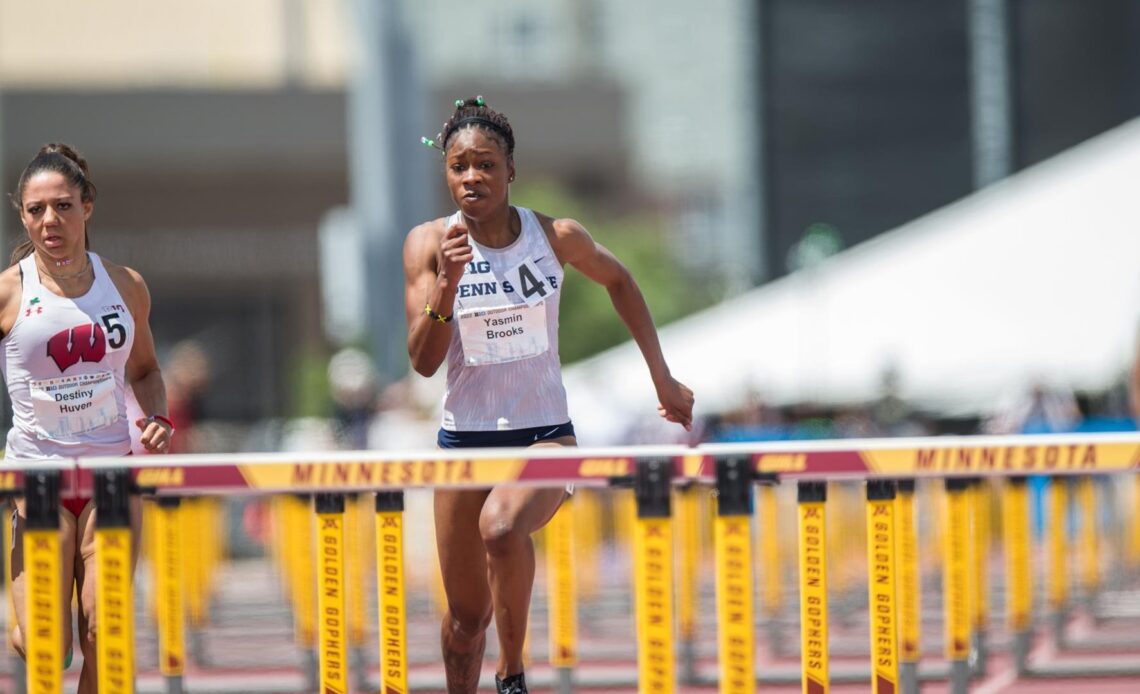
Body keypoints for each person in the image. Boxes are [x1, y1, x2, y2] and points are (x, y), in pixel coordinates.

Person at [403, 97, 694, 693]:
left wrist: (661, 376)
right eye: (458, 166)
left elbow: (621, 280)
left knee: (502, 528)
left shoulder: (555, 235)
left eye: (485, 164)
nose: (471, 178)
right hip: (464, 440)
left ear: (511, 171)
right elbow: (423, 363)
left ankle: (512, 674)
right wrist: (447, 284)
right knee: (463, 624)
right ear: (446, 175)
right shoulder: (430, 245)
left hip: (545, 434)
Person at [2, 143, 172, 691]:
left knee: (107, 631)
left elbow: (145, 371)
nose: (50, 221)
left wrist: (159, 419)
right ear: (21, 214)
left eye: (63, 206)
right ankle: (26, 624)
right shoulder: (9, 293)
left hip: (111, 476)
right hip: (38, 479)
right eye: (36, 210)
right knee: (46, 647)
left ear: (87, 207)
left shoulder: (124, 286)